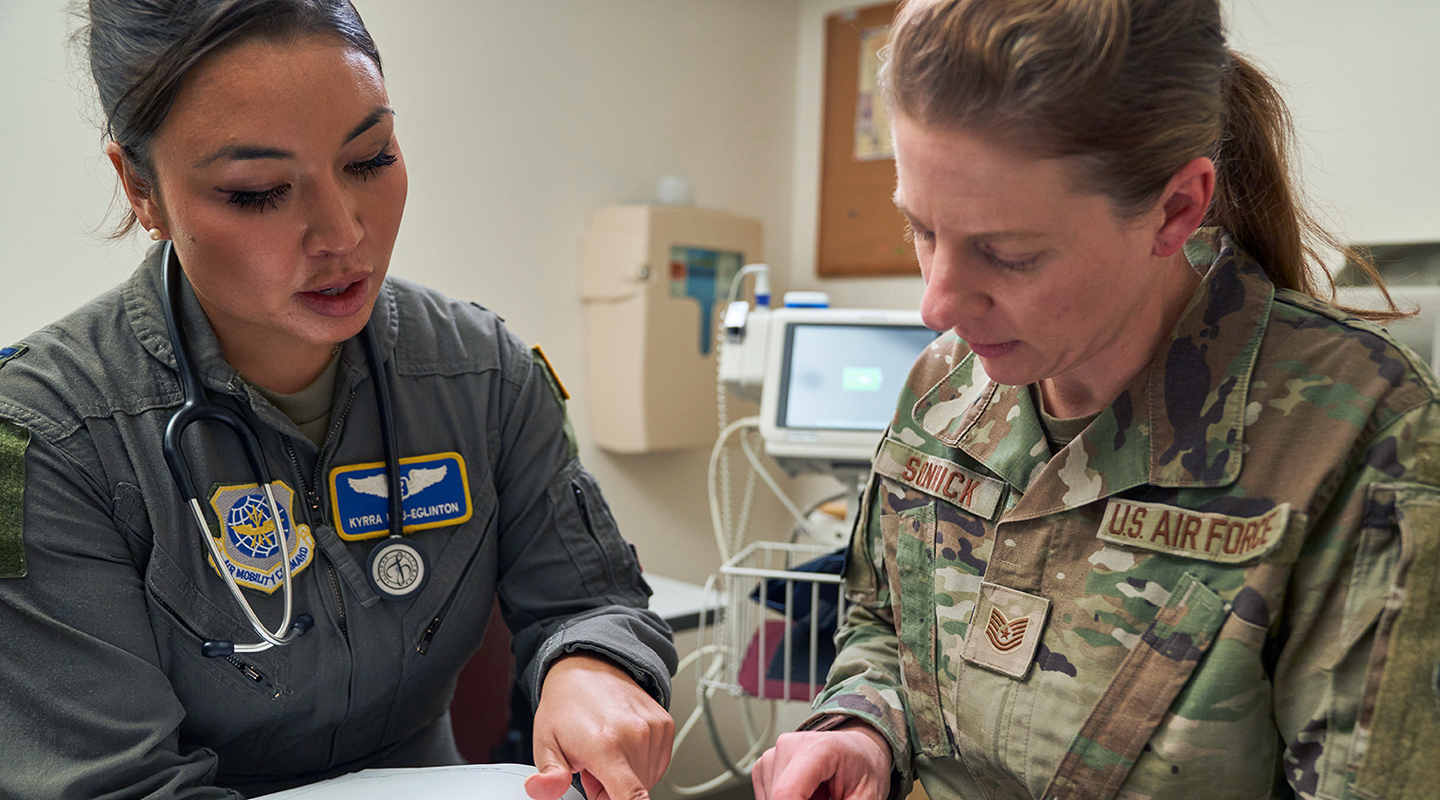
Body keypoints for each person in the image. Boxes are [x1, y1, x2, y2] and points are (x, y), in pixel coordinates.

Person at [753, 0, 1440, 798]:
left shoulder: (1356, 432)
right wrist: (863, 729)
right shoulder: (945, 383)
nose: (936, 307)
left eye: (1006, 253)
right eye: (922, 231)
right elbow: (884, 623)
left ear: (1176, 210)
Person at [0, 1, 676, 798]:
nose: (342, 232)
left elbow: (590, 598)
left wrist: (592, 665)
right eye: (257, 192)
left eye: (369, 158)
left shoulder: (485, 372)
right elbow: (115, 784)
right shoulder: (44, 436)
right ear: (140, 189)